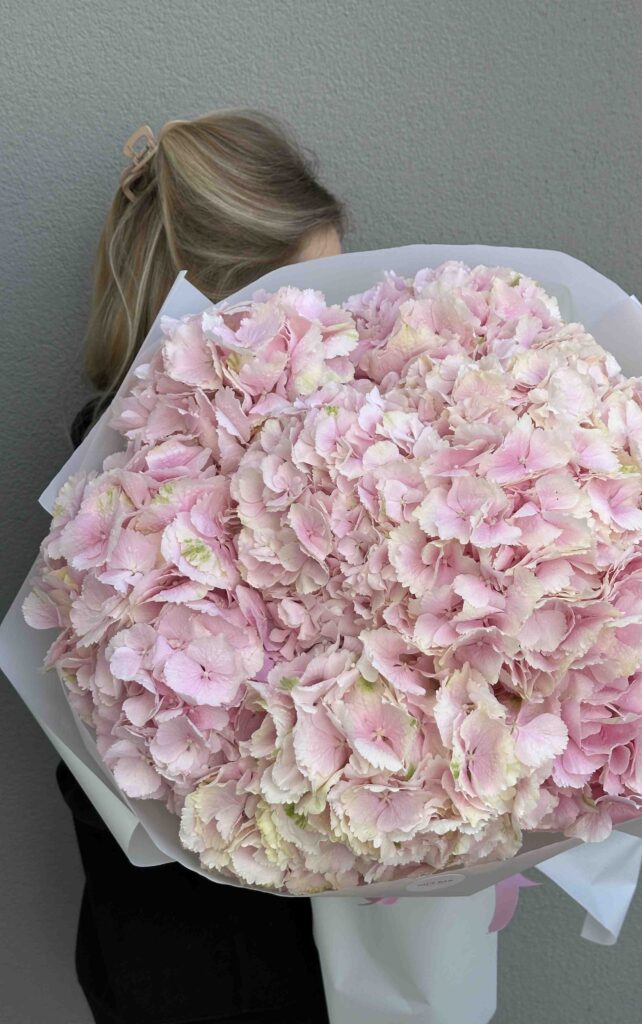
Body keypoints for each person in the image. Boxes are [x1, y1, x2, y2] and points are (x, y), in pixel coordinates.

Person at [57, 107, 347, 1024]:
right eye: (313, 297)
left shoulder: (329, 469)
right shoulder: (109, 511)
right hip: (206, 974)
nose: (335, 329)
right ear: (211, 310)